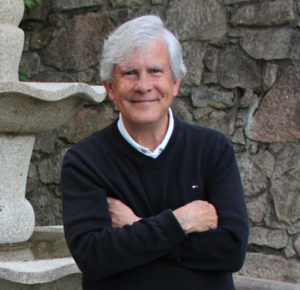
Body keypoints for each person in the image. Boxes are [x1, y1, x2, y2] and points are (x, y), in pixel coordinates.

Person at [61, 15, 249, 290]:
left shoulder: (212, 149)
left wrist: (137, 226)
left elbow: (231, 249)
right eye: (129, 73)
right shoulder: (85, 162)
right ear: (110, 88)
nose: (143, 85)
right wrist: (181, 221)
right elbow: (94, 258)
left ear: (175, 83)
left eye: (155, 71)